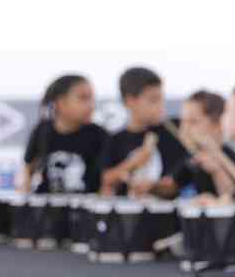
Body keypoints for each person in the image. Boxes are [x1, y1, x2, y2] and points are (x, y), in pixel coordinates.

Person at [100, 66, 187, 196]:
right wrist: (135, 161)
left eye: (161, 99)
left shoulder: (174, 130)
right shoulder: (116, 140)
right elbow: (105, 179)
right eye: (153, 100)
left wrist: (155, 187)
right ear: (130, 101)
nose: (160, 106)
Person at [20, 75, 108, 194]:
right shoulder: (42, 130)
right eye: (83, 98)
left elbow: (106, 178)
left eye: (92, 99)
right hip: (47, 202)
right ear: (61, 102)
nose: (91, 105)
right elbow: (28, 168)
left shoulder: (99, 135)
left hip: (87, 203)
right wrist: (24, 192)